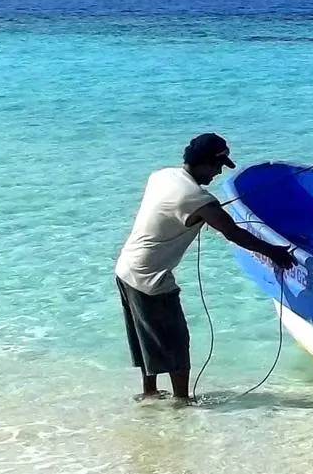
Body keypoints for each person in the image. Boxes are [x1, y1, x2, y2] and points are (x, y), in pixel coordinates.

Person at [114, 133, 295, 403]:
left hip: (126, 267)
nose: (218, 172)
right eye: (217, 166)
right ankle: (182, 401)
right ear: (204, 162)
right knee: (176, 341)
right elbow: (233, 233)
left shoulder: (162, 176)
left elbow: (180, 208)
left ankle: (149, 392)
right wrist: (275, 253)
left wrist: (206, 211)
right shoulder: (197, 198)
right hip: (149, 277)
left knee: (145, 334)